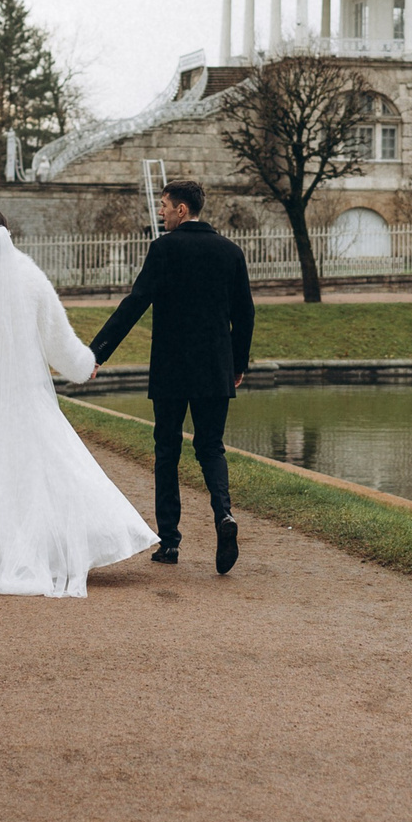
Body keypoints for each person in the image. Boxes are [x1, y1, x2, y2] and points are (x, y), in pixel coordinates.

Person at [0, 209, 158, 597]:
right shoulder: (30, 278)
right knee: (38, 463)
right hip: (22, 390)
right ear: (9, 236)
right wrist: (83, 364)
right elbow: (56, 335)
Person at [88, 178, 255, 573]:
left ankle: (170, 542)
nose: (160, 212)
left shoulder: (164, 249)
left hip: (171, 368)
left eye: (164, 206)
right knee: (211, 447)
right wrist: (238, 364)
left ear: (182, 209)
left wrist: (97, 352)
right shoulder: (230, 252)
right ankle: (224, 515)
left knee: (167, 450)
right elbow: (245, 314)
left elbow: (135, 304)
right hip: (215, 368)